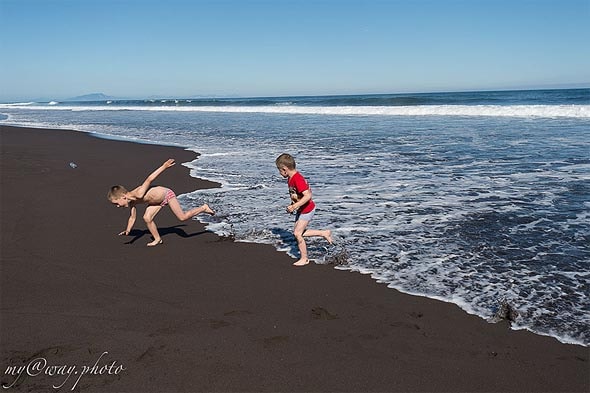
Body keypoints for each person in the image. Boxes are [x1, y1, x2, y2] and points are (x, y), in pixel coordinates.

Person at [107, 159, 214, 246]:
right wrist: (128, 230)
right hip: (156, 202)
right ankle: (158, 239)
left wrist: (164, 166)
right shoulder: (132, 203)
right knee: (147, 218)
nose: (117, 206)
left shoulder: (138, 194)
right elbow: (132, 217)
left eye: (117, 203)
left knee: (182, 217)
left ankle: (203, 208)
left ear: (123, 197)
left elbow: (149, 179)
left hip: (167, 195)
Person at [275, 153, 332, 266]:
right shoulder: (291, 178)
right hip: (302, 209)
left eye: (279, 170)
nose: (279, 173)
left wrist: (295, 206)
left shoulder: (298, 179)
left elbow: (308, 195)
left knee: (297, 234)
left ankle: (304, 258)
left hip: (307, 209)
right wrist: (293, 204)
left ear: (284, 169)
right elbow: (297, 195)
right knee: (298, 232)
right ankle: (324, 233)